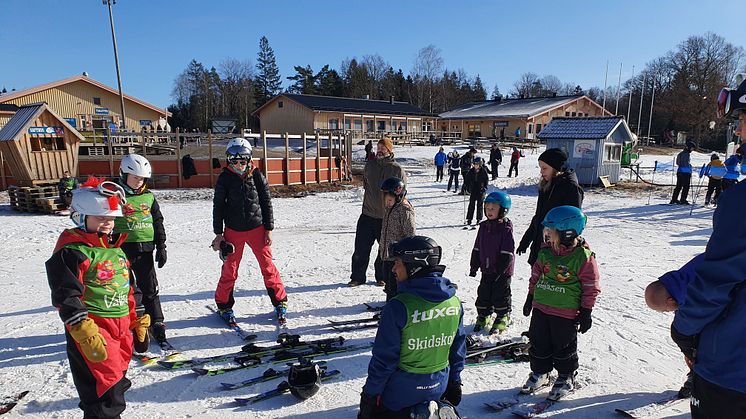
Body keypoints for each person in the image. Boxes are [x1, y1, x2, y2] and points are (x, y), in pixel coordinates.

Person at [671, 77, 746, 418]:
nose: (740, 132)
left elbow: (717, 280)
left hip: (731, 372)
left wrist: (684, 330)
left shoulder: (740, 203)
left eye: (743, 120)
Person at [45, 177, 150, 418]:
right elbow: (66, 293)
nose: (108, 224)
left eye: (112, 218)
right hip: (94, 330)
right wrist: (81, 326)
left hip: (120, 329)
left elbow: (129, 287)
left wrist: (138, 317)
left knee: (116, 387)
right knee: (103, 395)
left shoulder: (114, 249)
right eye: (100, 217)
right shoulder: (73, 251)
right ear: (80, 216)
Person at [358, 236, 466, 419]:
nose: (393, 269)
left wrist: (370, 396)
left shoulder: (399, 307)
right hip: (438, 387)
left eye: (398, 263)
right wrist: (455, 380)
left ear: (413, 266)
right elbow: (458, 348)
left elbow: (384, 360)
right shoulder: (454, 302)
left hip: (400, 395)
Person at [521, 206, 600, 401]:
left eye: (551, 231)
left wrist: (586, 311)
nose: (547, 235)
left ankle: (566, 376)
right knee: (538, 342)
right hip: (541, 306)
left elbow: (591, 286)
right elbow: (536, 275)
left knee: (563, 346)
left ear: (567, 233)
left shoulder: (583, 257)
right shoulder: (546, 252)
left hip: (565, 312)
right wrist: (530, 297)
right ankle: (541, 372)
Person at [211, 138, 288, 325]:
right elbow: (218, 206)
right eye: (234, 162)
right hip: (233, 230)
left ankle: (280, 301)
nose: (239, 165)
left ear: (249, 160)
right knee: (230, 269)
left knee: (267, 266)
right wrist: (218, 233)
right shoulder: (225, 178)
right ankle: (224, 305)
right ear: (229, 161)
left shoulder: (257, 175)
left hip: (257, 228)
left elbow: (266, 202)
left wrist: (268, 228)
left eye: (242, 161)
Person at [113, 154, 169, 348]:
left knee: (150, 287)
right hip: (121, 248)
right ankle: (133, 322)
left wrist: (161, 246)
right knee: (128, 289)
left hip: (145, 248)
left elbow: (158, 221)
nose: (139, 182)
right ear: (124, 174)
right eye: (135, 177)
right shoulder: (116, 195)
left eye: (142, 178)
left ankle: (157, 321)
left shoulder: (149, 196)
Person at [349, 138, 406, 287]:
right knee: (360, 249)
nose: (379, 150)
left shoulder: (396, 169)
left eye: (383, 148)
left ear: (389, 150)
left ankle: (382, 277)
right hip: (367, 214)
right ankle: (357, 277)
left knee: (384, 251)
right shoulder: (370, 165)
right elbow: (366, 185)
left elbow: (401, 193)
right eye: (378, 147)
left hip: (385, 216)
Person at [645, 254, 704, 397]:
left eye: (666, 310)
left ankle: (700, 377)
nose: (669, 312)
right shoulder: (679, 280)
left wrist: (691, 354)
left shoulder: (691, 299)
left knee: (685, 335)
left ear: (671, 301)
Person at [517, 148, 583, 266]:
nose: (541, 172)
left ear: (556, 168)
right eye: (540, 168)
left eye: (545, 168)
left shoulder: (570, 188)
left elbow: (573, 222)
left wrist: (564, 246)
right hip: (541, 247)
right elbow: (539, 217)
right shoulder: (547, 185)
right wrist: (526, 240)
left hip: (557, 251)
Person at [469, 191, 515, 334]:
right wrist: (474, 265)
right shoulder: (483, 227)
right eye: (487, 208)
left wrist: (500, 270)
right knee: (484, 293)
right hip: (486, 268)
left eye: (493, 209)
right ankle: (484, 314)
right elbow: (477, 247)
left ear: (503, 210)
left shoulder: (505, 228)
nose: (489, 211)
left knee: (500, 294)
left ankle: (503, 316)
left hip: (501, 270)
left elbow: (508, 252)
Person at [379, 177, 416, 299]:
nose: (387, 203)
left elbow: (410, 233)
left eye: (390, 200)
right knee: (387, 280)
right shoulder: (391, 208)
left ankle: (395, 303)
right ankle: (390, 299)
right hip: (387, 253)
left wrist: (404, 254)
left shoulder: (404, 210)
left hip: (397, 257)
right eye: (386, 200)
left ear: (398, 196)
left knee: (394, 283)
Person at [464, 157, 489, 226]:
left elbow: (486, 180)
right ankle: (469, 219)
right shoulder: (471, 171)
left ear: (480, 164)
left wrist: (485, 188)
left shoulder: (483, 171)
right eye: (474, 164)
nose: (475, 165)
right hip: (473, 189)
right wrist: (466, 186)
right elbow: (467, 179)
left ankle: (479, 219)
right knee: (471, 204)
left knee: (479, 205)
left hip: (481, 190)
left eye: (477, 164)